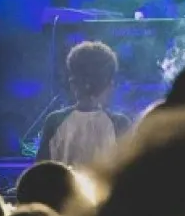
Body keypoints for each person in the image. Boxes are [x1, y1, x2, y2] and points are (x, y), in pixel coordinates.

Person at [38, 40, 136, 169]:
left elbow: (39, 173)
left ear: (73, 83)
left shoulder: (55, 121)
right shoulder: (120, 124)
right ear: (110, 85)